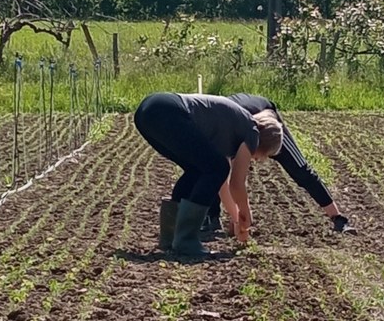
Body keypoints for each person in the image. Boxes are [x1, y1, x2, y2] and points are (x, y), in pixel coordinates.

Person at [133, 93, 283, 256]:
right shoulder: (252, 131)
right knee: (216, 168)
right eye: (262, 156)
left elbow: (222, 183)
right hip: (167, 111)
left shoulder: (234, 127)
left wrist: (235, 217)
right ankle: (186, 241)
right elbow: (236, 183)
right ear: (264, 144)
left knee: (197, 169)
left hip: (147, 111)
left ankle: (170, 238)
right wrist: (245, 213)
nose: (256, 159)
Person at [203, 93, 356, 235]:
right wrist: (237, 217)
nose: (257, 161)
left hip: (265, 119)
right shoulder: (229, 133)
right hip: (232, 119)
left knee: (299, 168)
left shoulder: (272, 135)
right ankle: (212, 217)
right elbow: (229, 181)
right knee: (216, 169)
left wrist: (240, 218)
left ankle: (338, 218)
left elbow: (238, 183)